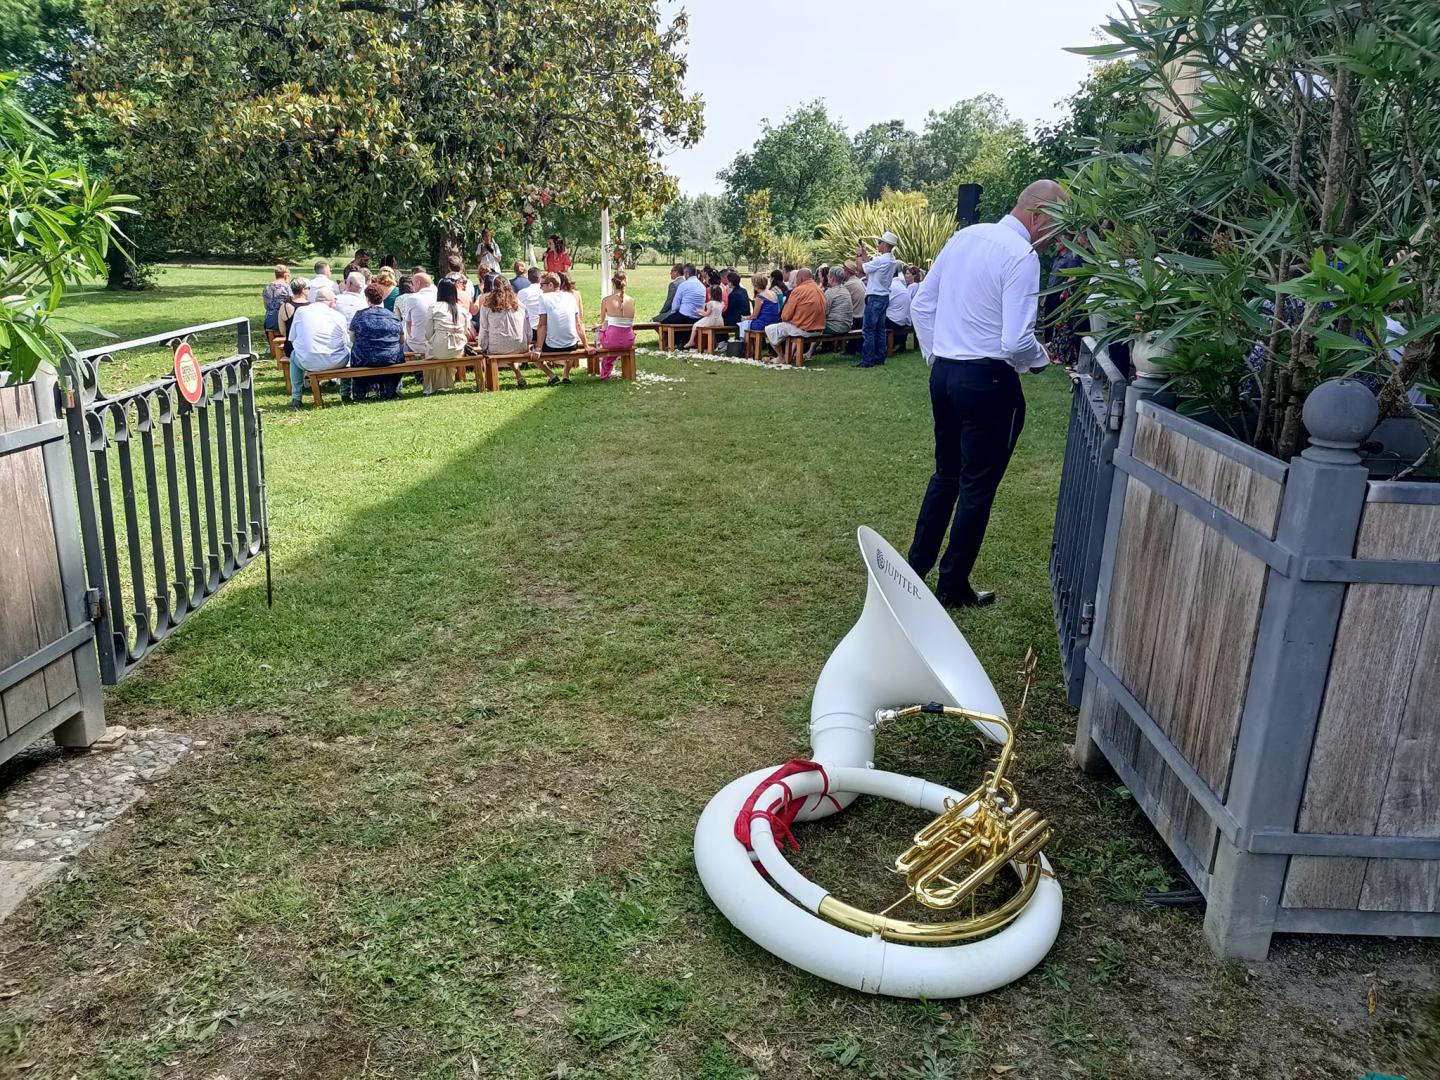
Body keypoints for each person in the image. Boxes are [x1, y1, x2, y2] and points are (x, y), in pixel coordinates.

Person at [907, 179, 1067, 609]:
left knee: (946, 475)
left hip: (945, 374)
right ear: (1038, 216)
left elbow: (921, 305)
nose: (1058, 239)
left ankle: (914, 570)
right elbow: (1016, 341)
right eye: (1057, 226)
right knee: (977, 486)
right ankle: (953, 584)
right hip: (988, 381)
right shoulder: (1022, 255)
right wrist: (1039, 361)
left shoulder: (964, 237)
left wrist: (936, 356)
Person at [287, 287, 351, 409]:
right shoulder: (338, 316)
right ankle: (345, 393)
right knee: (349, 352)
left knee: (293, 356)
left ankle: (296, 397)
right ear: (332, 302)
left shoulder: (301, 312)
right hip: (336, 361)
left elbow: (292, 337)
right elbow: (346, 341)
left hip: (307, 361)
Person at [349, 282, 407, 400]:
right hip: (390, 358)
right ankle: (391, 390)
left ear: (367, 298)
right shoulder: (393, 317)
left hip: (364, 359)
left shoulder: (359, 315)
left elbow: (352, 338)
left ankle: (361, 393)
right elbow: (402, 340)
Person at [854, 231, 900, 367]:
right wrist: (864, 255)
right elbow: (870, 266)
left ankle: (867, 360)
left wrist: (858, 255)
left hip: (874, 297)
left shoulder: (881, 260)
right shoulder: (891, 260)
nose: (878, 244)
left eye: (880, 242)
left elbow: (861, 268)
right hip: (884, 297)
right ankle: (879, 357)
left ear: (885, 244)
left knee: (868, 330)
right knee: (880, 330)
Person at [534, 271, 588, 384]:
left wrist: (538, 349)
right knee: (570, 338)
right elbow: (578, 324)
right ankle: (566, 375)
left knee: (531, 352)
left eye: (542, 285)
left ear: (550, 285)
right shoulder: (571, 297)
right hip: (572, 345)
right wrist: (586, 346)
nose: (540, 288)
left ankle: (552, 376)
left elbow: (542, 325)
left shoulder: (544, 298)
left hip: (552, 346)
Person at [477, 277, 531, 387]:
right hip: (520, 344)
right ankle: (518, 375)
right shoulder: (519, 304)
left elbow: (484, 329)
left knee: (495, 347)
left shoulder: (487, 305)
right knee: (506, 344)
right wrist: (527, 342)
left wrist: (482, 346)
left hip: (497, 347)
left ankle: (487, 382)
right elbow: (527, 328)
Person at [764, 268, 826, 356]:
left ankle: (781, 357)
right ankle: (789, 355)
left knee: (770, 329)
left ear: (800, 279)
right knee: (786, 327)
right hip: (819, 330)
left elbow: (785, 316)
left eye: (796, 279)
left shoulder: (798, 290)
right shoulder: (820, 290)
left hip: (803, 330)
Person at [424, 278, 471, 394]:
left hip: (440, 347)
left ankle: (431, 386)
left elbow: (428, 333)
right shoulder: (461, 309)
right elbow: (466, 330)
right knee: (438, 349)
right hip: (458, 349)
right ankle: (448, 381)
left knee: (430, 349)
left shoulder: (434, 307)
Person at [595, 271, 636, 379]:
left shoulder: (606, 300)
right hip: (629, 340)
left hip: (612, 340)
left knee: (600, 332)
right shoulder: (631, 300)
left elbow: (603, 320)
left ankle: (604, 371)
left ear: (613, 283)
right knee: (614, 335)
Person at [659, 264, 706, 347]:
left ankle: (674, 342)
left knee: (665, 322)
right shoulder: (702, 286)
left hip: (685, 315)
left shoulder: (684, 285)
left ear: (687, 273)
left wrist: (673, 313)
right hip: (698, 317)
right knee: (679, 320)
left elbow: (675, 303)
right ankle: (684, 341)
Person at [399, 270, 438, 358]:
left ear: (418, 283)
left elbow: (408, 325)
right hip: (437, 344)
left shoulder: (412, 299)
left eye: (412, 284)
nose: (411, 287)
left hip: (417, 346)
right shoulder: (438, 295)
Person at [737, 274, 780, 338]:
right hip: (774, 322)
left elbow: (754, 316)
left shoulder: (760, 297)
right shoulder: (773, 293)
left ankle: (747, 346)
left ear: (755, 285)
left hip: (763, 324)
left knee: (744, 325)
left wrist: (745, 318)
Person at [277, 278, 310, 351]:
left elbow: (282, 331)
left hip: (290, 347)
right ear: (303, 290)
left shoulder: (284, 307)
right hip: (307, 347)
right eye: (308, 288)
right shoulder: (311, 307)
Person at [886, 265, 913, 351]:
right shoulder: (900, 284)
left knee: (871, 320)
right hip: (905, 320)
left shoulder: (890, 286)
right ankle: (899, 344)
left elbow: (882, 305)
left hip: (896, 321)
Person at [823, 267, 854, 334]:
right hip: (847, 326)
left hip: (835, 327)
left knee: (814, 328)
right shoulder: (845, 290)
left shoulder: (830, 292)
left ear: (832, 279)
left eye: (828, 276)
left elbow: (824, 312)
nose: (827, 277)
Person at [517, 266, 544, 340]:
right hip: (544, 330)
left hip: (529, 330)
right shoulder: (545, 291)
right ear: (540, 278)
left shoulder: (522, 293)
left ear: (528, 278)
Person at [262, 265, 292, 333]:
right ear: (286, 275)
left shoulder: (267, 287)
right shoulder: (287, 287)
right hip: (284, 321)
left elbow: (266, 306)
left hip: (269, 321)